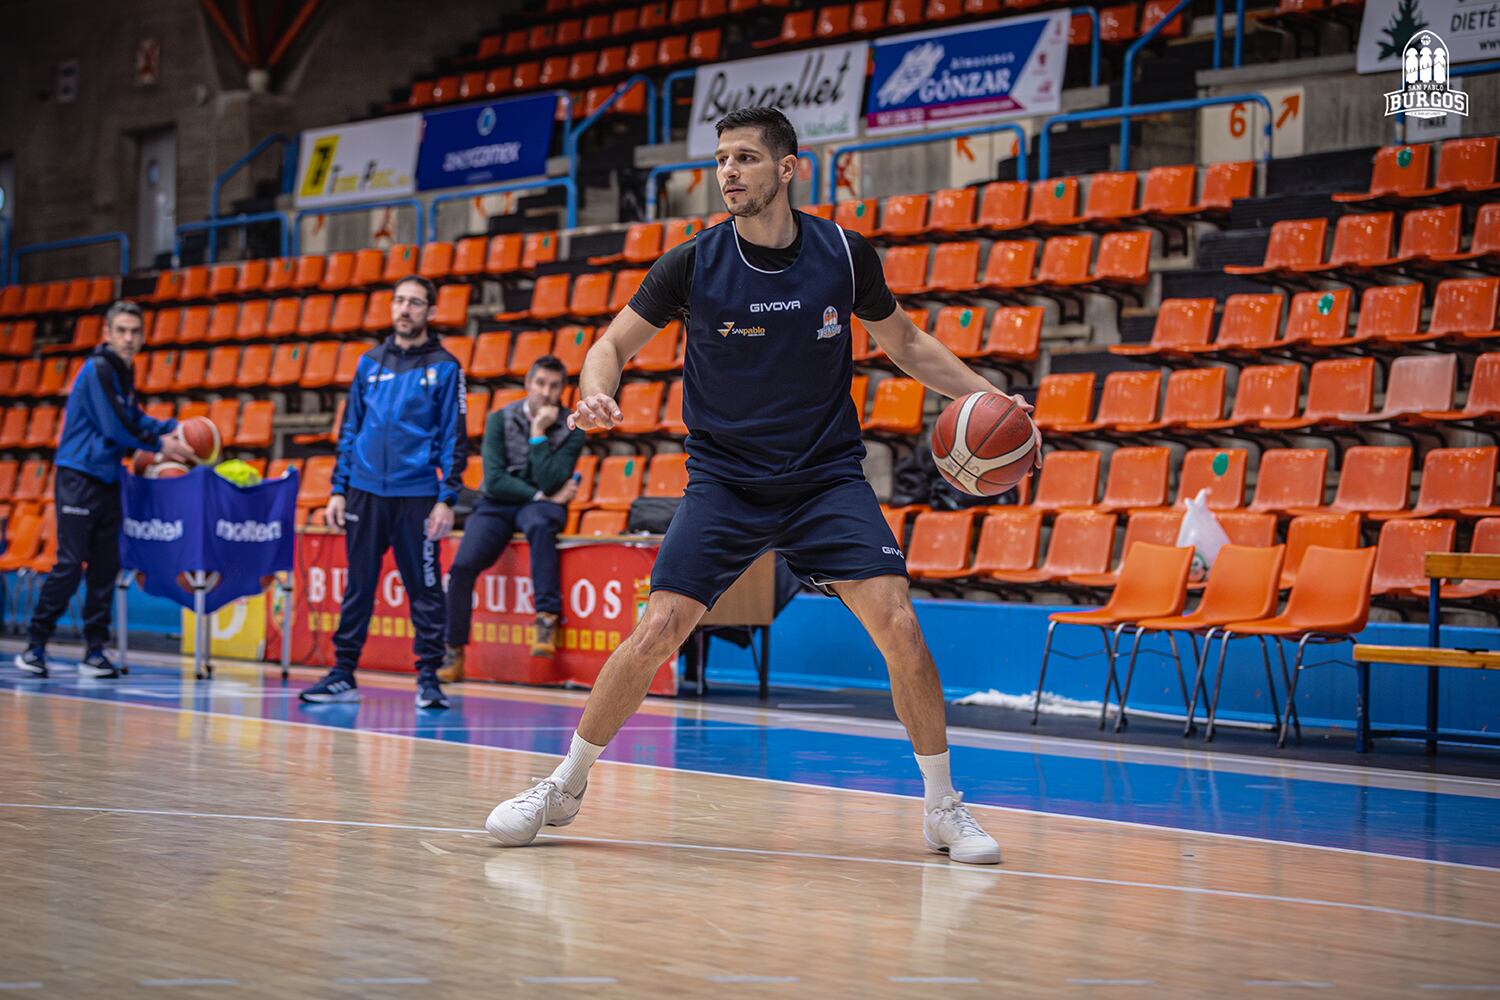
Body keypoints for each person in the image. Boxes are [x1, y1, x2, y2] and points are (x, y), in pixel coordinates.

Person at [482, 108, 1042, 865]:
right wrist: (599, 389)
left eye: (745, 157)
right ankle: (563, 788)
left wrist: (993, 400)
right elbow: (611, 343)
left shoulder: (844, 254)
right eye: (721, 159)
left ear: (786, 168)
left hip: (823, 478)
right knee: (657, 631)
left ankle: (943, 808)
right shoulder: (693, 263)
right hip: (726, 481)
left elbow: (905, 342)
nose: (728, 173)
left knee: (901, 626)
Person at [300, 275, 467, 710]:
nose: (404, 309)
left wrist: (446, 497)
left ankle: (429, 677)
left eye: (415, 302)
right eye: (399, 301)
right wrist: (338, 490)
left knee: (425, 589)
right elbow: (350, 428)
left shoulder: (447, 367)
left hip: (417, 496)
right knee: (358, 586)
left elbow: (454, 436)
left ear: (430, 312)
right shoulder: (368, 363)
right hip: (363, 492)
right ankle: (342, 674)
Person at [14, 301, 195, 679]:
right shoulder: (98, 369)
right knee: (70, 563)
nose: (128, 338)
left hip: (108, 478)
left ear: (143, 337)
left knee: (104, 568)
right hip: (78, 476)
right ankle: (35, 646)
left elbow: (133, 418)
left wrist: (175, 427)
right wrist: (161, 444)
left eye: (135, 332)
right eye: (122, 331)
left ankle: (94, 652)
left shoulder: (123, 371)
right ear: (108, 334)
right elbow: (116, 429)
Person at [441, 355, 584, 682]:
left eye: (554, 386)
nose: (546, 392)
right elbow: (494, 479)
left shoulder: (572, 427)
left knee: (540, 523)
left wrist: (537, 433)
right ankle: (454, 650)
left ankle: (546, 620)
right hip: (497, 504)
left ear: (562, 390)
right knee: (462, 566)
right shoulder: (498, 420)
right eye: (540, 383)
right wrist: (539, 494)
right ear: (527, 384)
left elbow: (550, 479)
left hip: (537, 508)